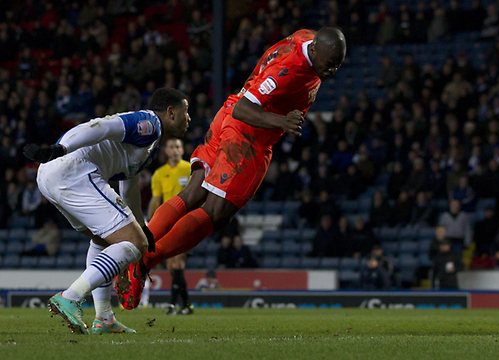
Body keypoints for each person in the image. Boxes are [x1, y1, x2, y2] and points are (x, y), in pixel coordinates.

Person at [117, 27, 347, 309]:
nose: (333, 69)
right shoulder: (290, 69)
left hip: (227, 117)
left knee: (193, 193)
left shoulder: (307, 38)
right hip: (246, 133)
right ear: (314, 51)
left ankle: (134, 250)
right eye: (329, 63)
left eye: (338, 63)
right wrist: (282, 122)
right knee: (216, 212)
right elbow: (245, 108)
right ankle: (144, 262)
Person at [23, 88, 190, 334]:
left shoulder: (150, 145)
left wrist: (141, 225)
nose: (189, 119)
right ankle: (71, 296)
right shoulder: (150, 123)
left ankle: (104, 317)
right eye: (186, 113)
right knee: (135, 244)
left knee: (104, 239)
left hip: (52, 177)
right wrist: (61, 148)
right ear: (171, 112)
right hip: (73, 169)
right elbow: (102, 126)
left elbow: (128, 183)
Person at [148, 138, 193, 316]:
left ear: (182, 150)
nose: (175, 150)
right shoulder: (159, 173)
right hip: (167, 221)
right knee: (172, 266)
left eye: (178, 147)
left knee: (178, 261)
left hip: (184, 220)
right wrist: (150, 223)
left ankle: (173, 304)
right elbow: (156, 199)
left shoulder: (189, 169)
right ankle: (187, 305)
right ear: (166, 151)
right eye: (171, 147)